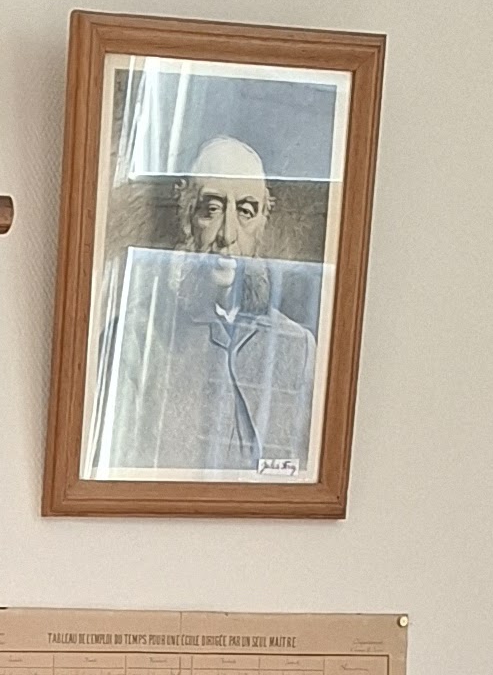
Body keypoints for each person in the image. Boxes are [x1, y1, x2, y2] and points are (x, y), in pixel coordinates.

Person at [92, 136, 322, 478]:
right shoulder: (134, 339)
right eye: (212, 209)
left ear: (261, 225)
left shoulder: (298, 347)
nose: (227, 234)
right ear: (188, 219)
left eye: (245, 212)